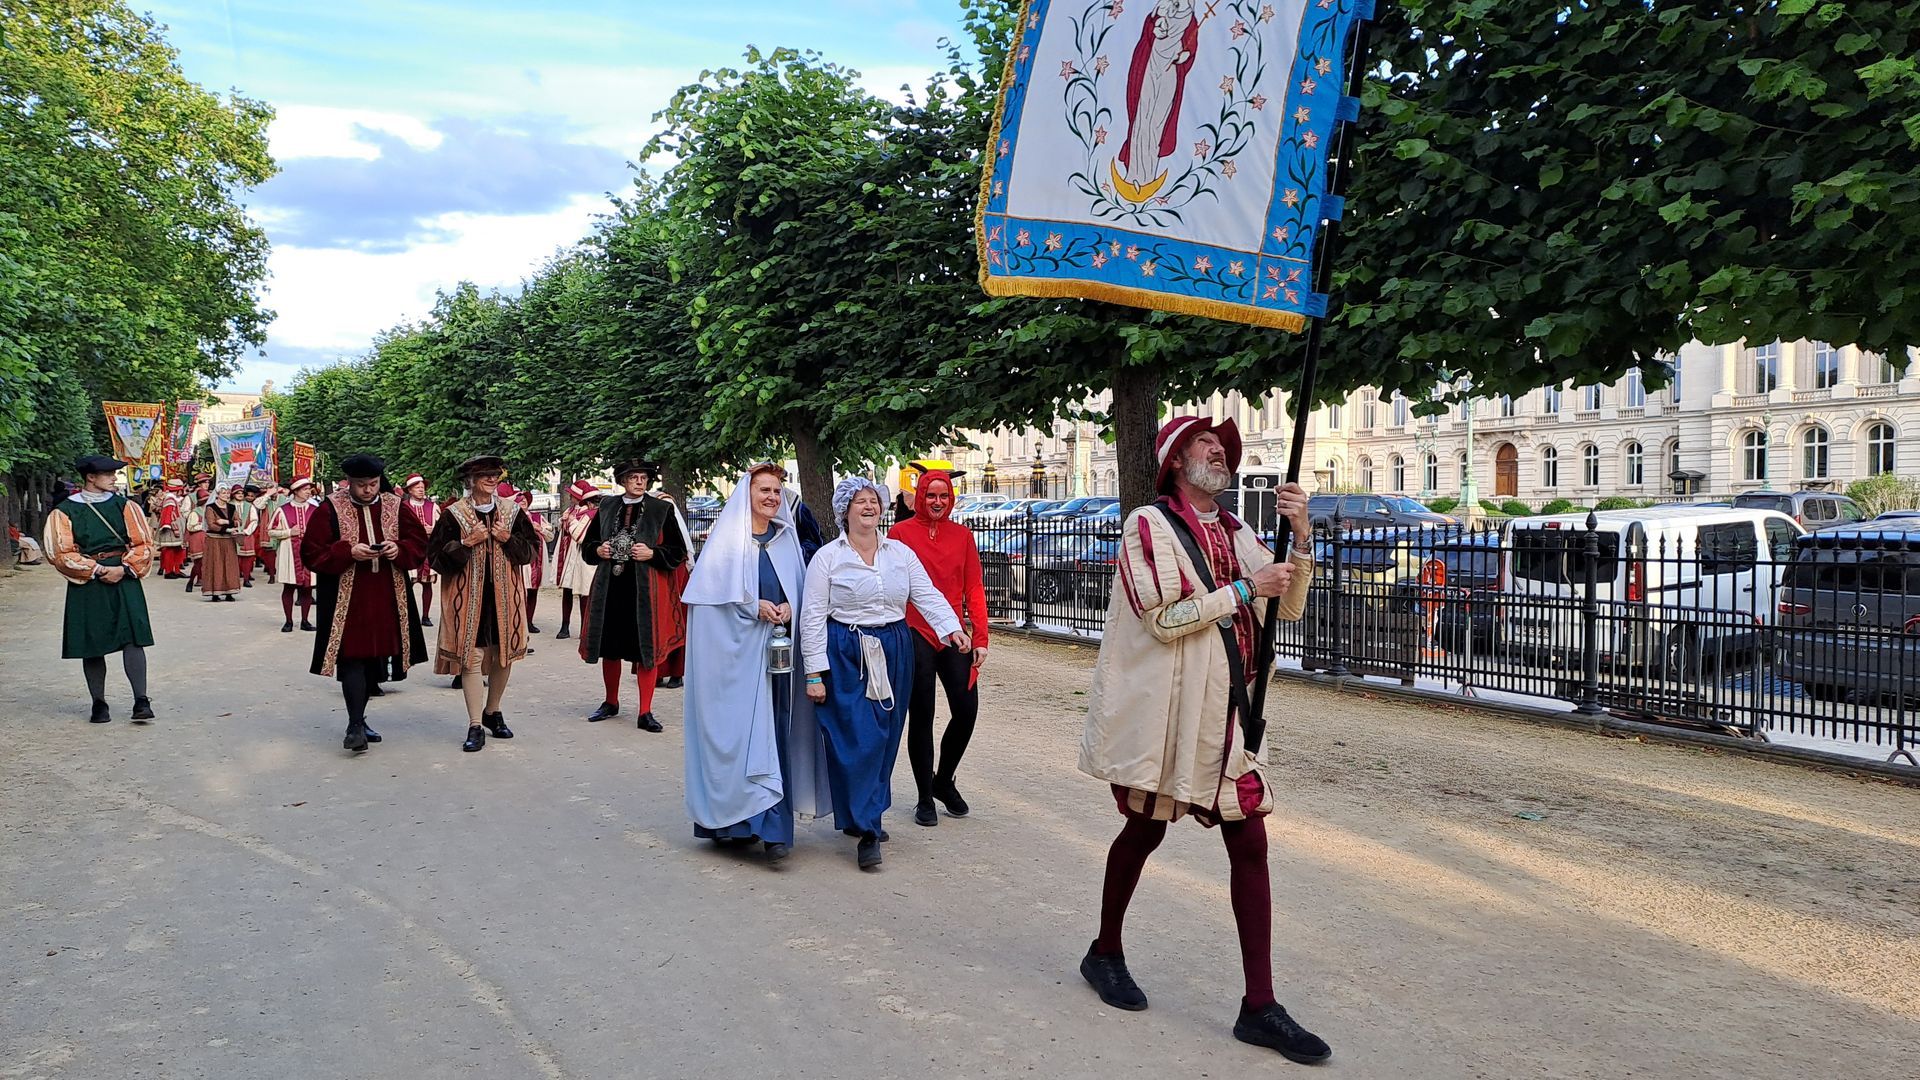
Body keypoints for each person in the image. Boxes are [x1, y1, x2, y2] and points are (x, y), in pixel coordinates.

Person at [1074, 416, 1327, 1064]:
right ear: (1175, 460)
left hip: (1229, 714)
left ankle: (1260, 1006)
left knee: (1250, 842)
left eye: (1223, 447)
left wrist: (1301, 536)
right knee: (1145, 830)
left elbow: (1286, 607)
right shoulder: (1148, 526)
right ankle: (1104, 952)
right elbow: (1163, 619)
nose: (1220, 452)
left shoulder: (1238, 531)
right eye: (1206, 443)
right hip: (1171, 714)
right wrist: (1244, 588)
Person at [799, 478, 967, 870]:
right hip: (846, 651)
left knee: (886, 737)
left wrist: (951, 628)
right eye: (860, 501)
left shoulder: (900, 554)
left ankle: (864, 816)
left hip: (894, 648)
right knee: (857, 739)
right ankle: (869, 829)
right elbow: (812, 616)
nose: (868, 507)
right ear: (845, 510)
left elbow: (926, 595)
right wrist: (814, 673)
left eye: (874, 500)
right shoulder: (828, 558)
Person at [681, 465, 833, 862]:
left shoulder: (785, 541)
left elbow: (802, 593)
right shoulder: (726, 545)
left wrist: (790, 606)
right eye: (764, 489)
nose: (772, 497)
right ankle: (733, 823)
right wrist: (752, 608)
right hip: (737, 666)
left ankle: (772, 829)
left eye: (777, 491)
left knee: (775, 734)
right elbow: (708, 608)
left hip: (778, 662)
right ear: (746, 495)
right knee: (739, 736)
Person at [301, 455, 429, 752]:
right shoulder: (330, 507)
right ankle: (355, 724)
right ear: (349, 483)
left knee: (374, 658)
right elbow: (311, 552)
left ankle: (360, 718)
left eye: (373, 484)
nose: (368, 490)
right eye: (361, 485)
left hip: (387, 596)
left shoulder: (395, 505)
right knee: (352, 657)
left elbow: (419, 542)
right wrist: (347, 552)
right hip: (347, 600)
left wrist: (398, 549)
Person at [889, 469, 990, 827]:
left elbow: (973, 587)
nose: (937, 502)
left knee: (966, 708)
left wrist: (980, 637)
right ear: (919, 496)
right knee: (922, 713)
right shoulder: (900, 534)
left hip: (952, 633)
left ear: (951, 498)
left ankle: (943, 780)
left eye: (943, 496)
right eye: (930, 495)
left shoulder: (962, 536)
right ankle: (923, 797)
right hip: (914, 630)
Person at [427, 455, 539, 753]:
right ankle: (475, 724)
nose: (491, 479)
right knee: (472, 658)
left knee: (504, 654)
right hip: (467, 598)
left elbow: (531, 552)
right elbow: (435, 558)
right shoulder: (453, 514)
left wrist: (507, 538)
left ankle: (493, 710)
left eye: (494, 474)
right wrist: (467, 543)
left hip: (505, 596)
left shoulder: (512, 512)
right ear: (471, 481)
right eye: (484, 475)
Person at [44, 455, 156, 724]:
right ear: (91, 477)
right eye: (108, 474)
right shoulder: (64, 511)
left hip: (124, 573)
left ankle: (141, 701)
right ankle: (99, 703)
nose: (114, 478)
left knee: (133, 637)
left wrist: (124, 569)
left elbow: (144, 543)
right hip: (89, 579)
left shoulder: (126, 506)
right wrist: (96, 569)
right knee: (92, 641)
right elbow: (60, 552)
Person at [579, 461, 687, 732]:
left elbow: (678, 550)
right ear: (622, 481)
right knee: (610, 647)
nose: (640, 482)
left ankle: (645, 711)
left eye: (643, 477)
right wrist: (598, 550)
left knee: (645, 649)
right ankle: (610, 702)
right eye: (633, 477)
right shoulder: (606, 506)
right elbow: (588, 546)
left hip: (645, 592)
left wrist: (653, 554)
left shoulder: (661, 509)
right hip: (610, 588)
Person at [270, 478, 321, 632]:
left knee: (307, 588)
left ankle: (305, 621)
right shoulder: (282, 510)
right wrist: (288, 532)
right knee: (289, 587)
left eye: (309, 489)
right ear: (296, 491)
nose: (308, 492)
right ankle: (288, 621)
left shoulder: (315, 510)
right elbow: (270, 531)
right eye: (305, 489)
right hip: (289, 553)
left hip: (309, 553)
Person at [553, 479, 600, 639]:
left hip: (582, 556)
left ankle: (584, 629)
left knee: (583, 591)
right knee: (567, 589)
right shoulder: (571, 510)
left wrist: (571, 522)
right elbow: (564, 531)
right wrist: (564, 521)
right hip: (569, 555)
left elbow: (580, 536)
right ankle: (564, 626)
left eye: (573, 495)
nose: (570, 498)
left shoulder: (590, 514)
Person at [507, 484, 550, 633]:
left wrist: (540, 529)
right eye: (519, 499)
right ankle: (519, 621)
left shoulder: (537, 517)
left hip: (537, 557)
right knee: (521, 589)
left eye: (525, 498)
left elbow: (550, 537)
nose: (523, 500)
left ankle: (529, 620)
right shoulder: (512, 517)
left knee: (533, 590)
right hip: (523, 557)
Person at [402, 474, 440, 627]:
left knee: (427, 583)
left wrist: (433, 530)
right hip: (410, 550)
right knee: (408, 585)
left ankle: (425, 616)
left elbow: (441, 529)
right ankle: (407, 616)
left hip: (427, 550)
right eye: (417, 487)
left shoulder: (433, 507)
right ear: (410, 490)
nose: (420, 490)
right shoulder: (403, 507)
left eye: (422, 487)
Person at [199, 484, 244, 601]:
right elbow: (211, 524)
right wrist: (227, 528)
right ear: (217, 494)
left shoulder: (232, 507)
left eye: (228, 493)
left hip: (228, 540)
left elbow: (238, 520)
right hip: (214, 540)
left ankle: (229, 592)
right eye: (223, 493)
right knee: (216, 565)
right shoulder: (210, 508)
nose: (226, 495)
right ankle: (215, 593)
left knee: (229, 565)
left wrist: (226, 522)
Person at [156, 478, 188, 577]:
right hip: (172, 528)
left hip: (174, 526)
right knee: (170, 549)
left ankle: (176, 570)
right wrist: (167, 525)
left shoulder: (172, 499)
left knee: (177, 549)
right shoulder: (170, 500)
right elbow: (167, 514)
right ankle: (169, 571)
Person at [233, 483, 262, 587]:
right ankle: (234, 579)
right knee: (234, 558)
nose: (240, 495)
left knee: (248, 558)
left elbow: (254, 520)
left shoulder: (249, 506)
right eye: (238, 493)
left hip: (247, 535)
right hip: (232, 535)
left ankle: (246, 579)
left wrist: (246, 531)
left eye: (242, 493)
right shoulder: (229, 505)